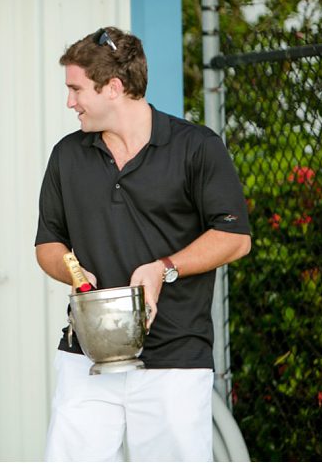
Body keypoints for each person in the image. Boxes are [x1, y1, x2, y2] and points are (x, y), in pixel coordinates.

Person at [35, 27, 252, 461]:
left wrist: (163, 267)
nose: (70, 102)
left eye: (76, 89)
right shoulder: (67, 155)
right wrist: (73, 272)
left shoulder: (196, 147)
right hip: (86, 356)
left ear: (114, 87)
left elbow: (235, 238)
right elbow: (48, 243)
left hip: (174, 356)